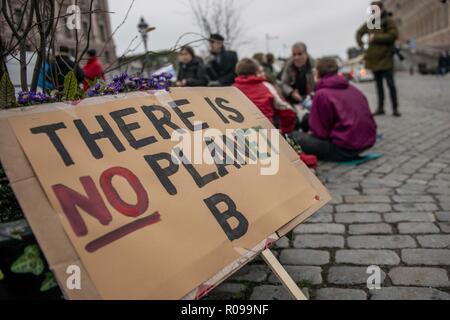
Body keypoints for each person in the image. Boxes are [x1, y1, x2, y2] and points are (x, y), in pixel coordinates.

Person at [291, 58, 377, 162]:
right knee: (307, 118)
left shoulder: (322, 94)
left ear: (318, 73)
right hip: (366, 143)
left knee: (292, 136)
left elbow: (320, 133)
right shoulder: (352, 88)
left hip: (343, 148)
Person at [356, 1, 400, 117]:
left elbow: (393, 35)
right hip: (374, 60)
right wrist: (360, 42)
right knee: (379, 86)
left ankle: (395, 108)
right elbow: (359, 32)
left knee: (390, 84)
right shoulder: (372, 22)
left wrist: (375, 37)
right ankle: (381, 108)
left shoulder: (387, 21)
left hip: (386, 58)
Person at [234, 58, 297, 135]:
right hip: (265, 135)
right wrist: (284, 131)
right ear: (257, 71)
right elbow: (288, 111)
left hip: (239, 136)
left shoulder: (231, 89)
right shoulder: (267, 87)